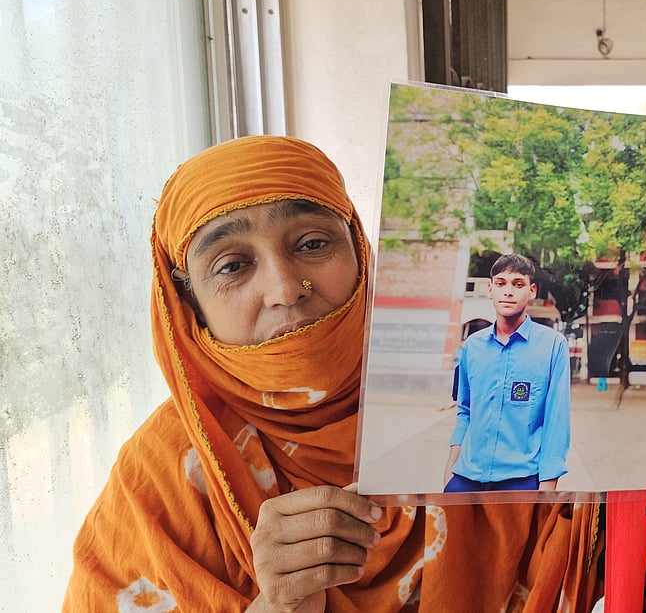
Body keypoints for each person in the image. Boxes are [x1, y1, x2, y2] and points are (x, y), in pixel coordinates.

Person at [63, 136, 606, 612]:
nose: (283, 289)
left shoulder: (482, 392)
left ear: (361, 253)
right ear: (190, 303)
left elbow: (605, 562)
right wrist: (278, 606)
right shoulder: (160, 484)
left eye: (313, 244)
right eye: (232, 265)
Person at [443, 253, 570, 493]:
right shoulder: (472, 346)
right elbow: (465, 410)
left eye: (518, 284)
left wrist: (547, 488)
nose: (508, 291)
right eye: (501, 283)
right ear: (490, 289)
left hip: (521, 480)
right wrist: (450, 471)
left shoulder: (553, 346)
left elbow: (556, 420)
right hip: (465, 477)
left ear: (532, 291)